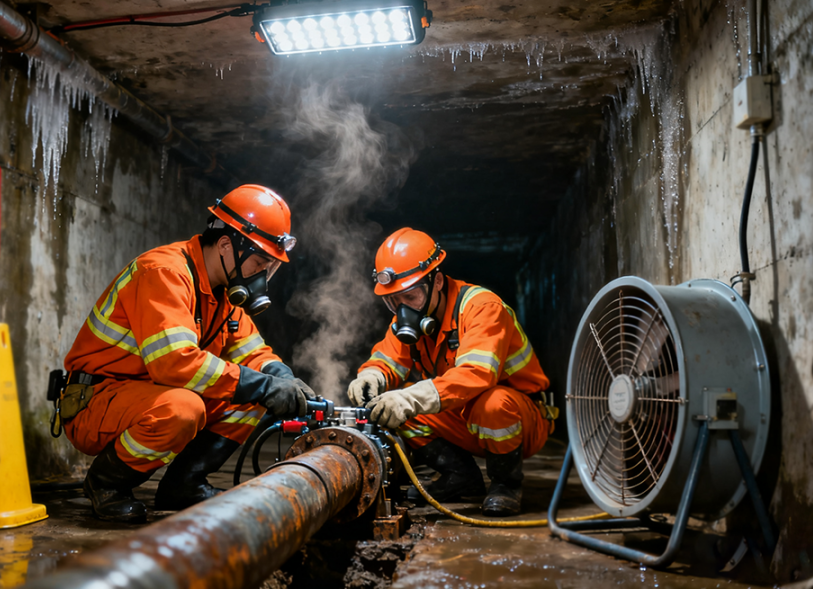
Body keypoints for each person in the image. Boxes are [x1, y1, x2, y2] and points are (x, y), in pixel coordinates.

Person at [59, 184, 316, 522]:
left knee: (253, 394)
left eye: (269, 267)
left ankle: (184, 484)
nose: (262, 276)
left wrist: (282, 378)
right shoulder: (164, 273)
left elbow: (253, 354)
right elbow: (174, 363)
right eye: (259, 263)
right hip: (96, 401)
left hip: (145, 395)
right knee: (185, 407)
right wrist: (265, 385)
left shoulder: (224, 294)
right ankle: (107, 484)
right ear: (227, 245)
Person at [348, 228, 556, 516]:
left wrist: (409, 398)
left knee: (491, 403)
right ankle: (460, 477)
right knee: (390, 409)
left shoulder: (483, 308)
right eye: (393, 300)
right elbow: (388, 358)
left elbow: (476, 374)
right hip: (465, 416)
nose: (402, 308)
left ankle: (506, 485)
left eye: (411, 296)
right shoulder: (411, 319)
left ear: (438, 282)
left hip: (521, 420)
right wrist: (371, 376)